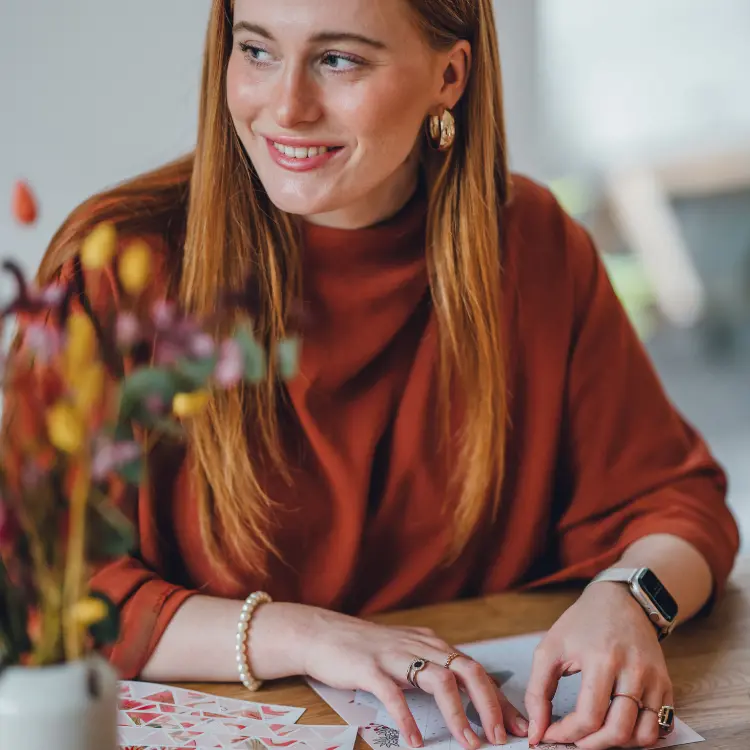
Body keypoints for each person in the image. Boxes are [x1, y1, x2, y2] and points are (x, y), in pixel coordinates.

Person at [4, 1, 741, 749]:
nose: (285, 106)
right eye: (256, 51)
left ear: (449, 76)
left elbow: (676, 503)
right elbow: (26, 584)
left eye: (339, 59)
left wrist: (628, 598)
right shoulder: (115, 267)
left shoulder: (536, 246)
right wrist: (305, 637)